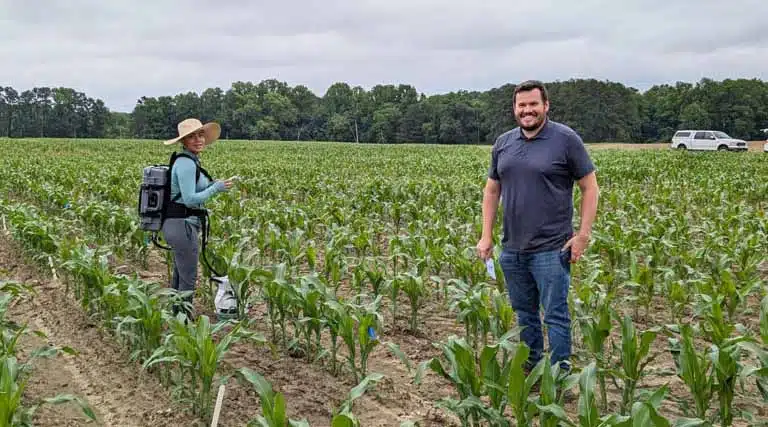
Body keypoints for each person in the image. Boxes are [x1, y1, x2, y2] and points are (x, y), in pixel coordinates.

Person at [476, 80, 599, 375]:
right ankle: (532, 367)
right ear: (514, 109)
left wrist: (582, 235)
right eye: (522, 105)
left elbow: (590, 187)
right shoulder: (504, 143)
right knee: (525, 314)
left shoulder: (565, 140)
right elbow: (492, 191)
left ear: (546, 106)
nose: (527, 110)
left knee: (555, 316)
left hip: (551, 248)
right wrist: (486, 235)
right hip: (513, 248)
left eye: (533, 104)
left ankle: (559, 376)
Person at [162, 118, 234, 319]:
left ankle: (177, 316)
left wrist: (213, 185)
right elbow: (190, 199)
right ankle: (183, 322)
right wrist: (215, 188)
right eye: (191, 137)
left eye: (200, 135)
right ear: (183, 142)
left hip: (179, 225)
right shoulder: (186, 164)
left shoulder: (188, 161)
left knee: (180, 274)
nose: (198, 140)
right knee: (188, 278)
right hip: (181, 226)